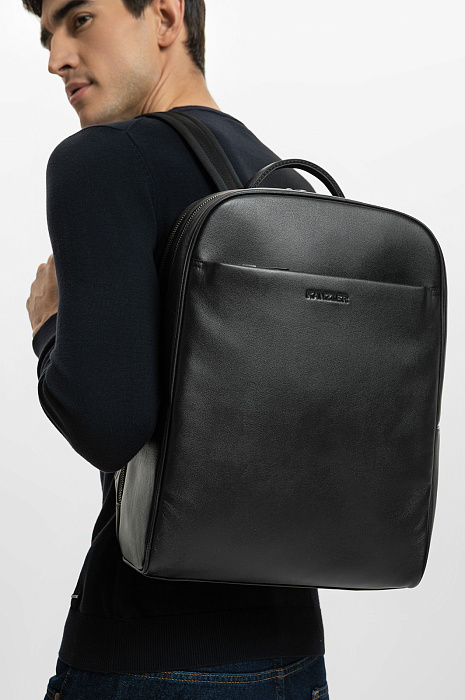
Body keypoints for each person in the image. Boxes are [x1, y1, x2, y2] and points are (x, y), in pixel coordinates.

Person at [24, 1, 330, 697]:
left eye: (79, 19)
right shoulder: (283, 180)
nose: (56, 58)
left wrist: (48, 327)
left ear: (164, 17)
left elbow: (108, 423)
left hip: (148, 655)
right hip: (294, 655)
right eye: (47, 38)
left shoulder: (101, 161)